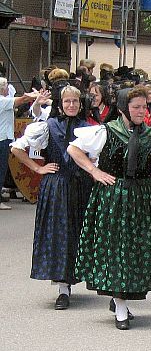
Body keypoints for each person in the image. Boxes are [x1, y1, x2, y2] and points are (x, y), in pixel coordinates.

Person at [67, 86, 151, 330]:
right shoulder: (107, 131)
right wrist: (94, 171)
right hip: (113, 197)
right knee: (117, 249)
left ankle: (121, 299)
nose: (142, 111)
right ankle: (120, 306)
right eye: (136, 107)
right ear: (122, 109)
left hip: (141, 198)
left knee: (135, 250)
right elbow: (74, 149)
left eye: (144, 107)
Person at [10, 85, 92, 308]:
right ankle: (63, 288)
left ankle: (79, 278)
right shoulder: (48, 126)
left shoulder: (88, 128)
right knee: (59, 235)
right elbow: (17, 149)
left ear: (80, 103)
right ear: (59, 104)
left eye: (75, 101)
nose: (72, 105)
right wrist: (38, 169)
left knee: (78, 233)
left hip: (81, 186)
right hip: (56, 186)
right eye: (67, 101)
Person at [1, 79, 39, 210]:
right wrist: (34, 95)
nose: (8, 89)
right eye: (6, 87)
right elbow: (21, 100)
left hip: (4, 137)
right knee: (1, 169)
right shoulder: (2, 100)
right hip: (2, 138)